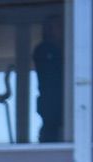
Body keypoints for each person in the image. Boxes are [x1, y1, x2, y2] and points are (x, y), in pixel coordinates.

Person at [33, 15, 67, 143]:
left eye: (54, 27)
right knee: (50, 136)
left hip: (63, 105)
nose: (50, 31)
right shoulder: (44, 50)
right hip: (51, 106)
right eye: (48, 27)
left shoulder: (68, 50)